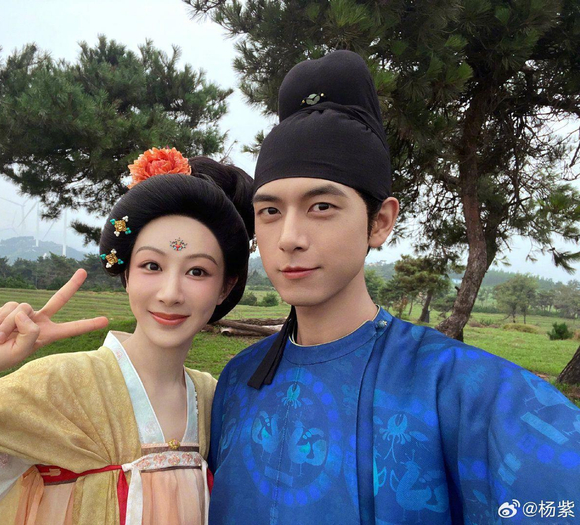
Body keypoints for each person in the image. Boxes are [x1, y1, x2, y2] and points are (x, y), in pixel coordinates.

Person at [208, 50, 580, 524]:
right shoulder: (237, 381)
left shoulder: (467, 392)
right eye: (270, 211)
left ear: (380, 221)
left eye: (322, 207)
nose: (289, 238)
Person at [0, 147, 254, 524]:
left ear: (225, 286)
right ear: (126, 273)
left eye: (198, 271)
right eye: (152, 265)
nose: (170, 293)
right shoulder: (61, 385)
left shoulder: (217, 398)